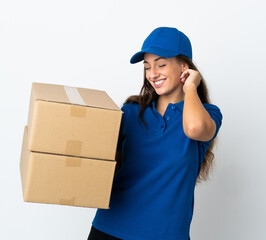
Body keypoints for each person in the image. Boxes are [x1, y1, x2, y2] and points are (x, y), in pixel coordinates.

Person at [87, 26, 223, 240]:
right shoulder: (131, 111)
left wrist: (190, 88)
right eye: (147, 67)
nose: (152, 74)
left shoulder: (208, 114)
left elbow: (195, 129)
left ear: (184, 67)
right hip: (110, 228)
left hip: (165, 234)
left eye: (161, 64)